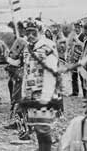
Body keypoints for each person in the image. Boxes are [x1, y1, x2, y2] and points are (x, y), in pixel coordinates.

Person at [20, 18, 63, 151]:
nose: (30, 35)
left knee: (44, 127)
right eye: (28, 32)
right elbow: (26, 72)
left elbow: (51, 72)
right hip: (31, 94)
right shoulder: (27, 48)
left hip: (44, 94)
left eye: (33, 32)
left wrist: (46, 96)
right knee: (36, 124)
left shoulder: (48, 46)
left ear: (41, 31)